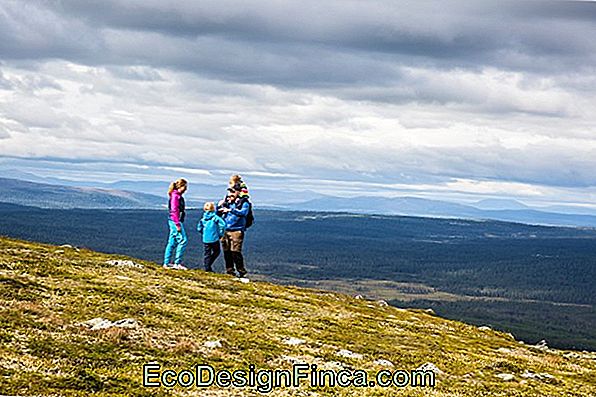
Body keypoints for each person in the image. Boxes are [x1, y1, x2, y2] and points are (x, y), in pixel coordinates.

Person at [218, 185, 251, 277]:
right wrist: (219, 206)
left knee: (235, 251)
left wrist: (230, 210)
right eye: (230, 192)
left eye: (233, 192)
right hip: (225, 229)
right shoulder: (227, 202)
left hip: (236, 230)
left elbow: (243, 213)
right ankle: (230, 270)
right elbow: (218, 213)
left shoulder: (244, 203)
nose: (230, 194)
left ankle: (241, 271)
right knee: (226, 251)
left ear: (238, 192)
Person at [163, 178, 188, 270]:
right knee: (183, 240)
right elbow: (174, 210)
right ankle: (177, 263)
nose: (186, 189)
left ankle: (166, 262)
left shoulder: (175, 195)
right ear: (181, 186)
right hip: (175, 221)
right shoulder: (175, 196)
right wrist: (177, 224)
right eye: (185, 187)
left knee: (172, 242)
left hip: (173, 220)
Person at [197, 202, 226, 272]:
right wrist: (220, 234)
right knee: (217, 251)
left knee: (207, 253)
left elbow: (199, 228)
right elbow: (223, 225)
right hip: (214, 238)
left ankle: (207, 267)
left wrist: (203, 233)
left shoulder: (203, 218)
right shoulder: (215, 217)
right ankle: (208, 265)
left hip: (205, 239)